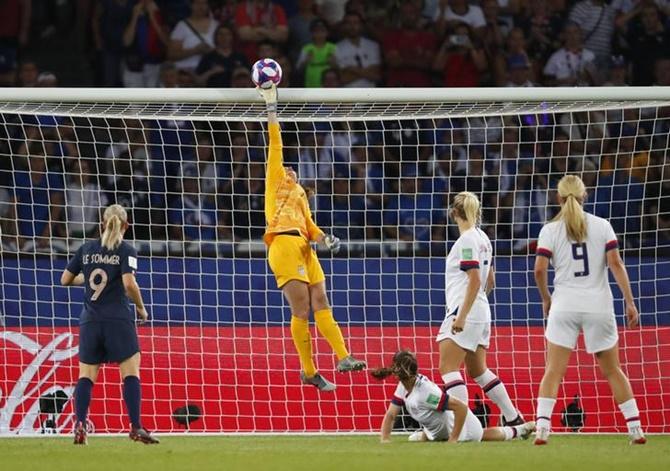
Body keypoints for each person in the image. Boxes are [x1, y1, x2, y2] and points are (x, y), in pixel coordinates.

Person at [257, 84, 365, 391]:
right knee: (302, 309)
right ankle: (308, 369)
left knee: (321, 300)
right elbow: (275, 145)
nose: (290, 169)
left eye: (293, 170)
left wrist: (324, 239)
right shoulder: (275, 182)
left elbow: (310, 226)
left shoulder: (301, 195)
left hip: (305, 246)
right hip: (283, 244)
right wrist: (271, 109)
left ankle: (344, 356)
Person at [533, 175, 647, 445]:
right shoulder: (602, 226)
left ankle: (541, 430)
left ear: (558, 198)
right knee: (613, 371)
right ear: (585, 196)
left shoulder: (550, 230)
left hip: (564, 306)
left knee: (553, 371)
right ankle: (636, 430)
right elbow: (616, 264)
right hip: (599, 306)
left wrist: (546, 298)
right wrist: (630, 302)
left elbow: (539, 269)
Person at [61, 204, 159, 445]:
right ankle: (135, 427)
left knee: (86, 375)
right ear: (126, 226)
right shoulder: (126, 250)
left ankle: (80, 424)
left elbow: (65, 279)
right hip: (118, 319)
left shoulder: (86, 249)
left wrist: (90, 276)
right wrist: (141, 307)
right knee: (130, 371)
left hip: (90, 320)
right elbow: (129, 284)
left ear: (102, 223)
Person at [436, 191, 524, 426]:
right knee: (478, 370)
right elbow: (490, 280)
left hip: (465, 310)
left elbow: (475, 279)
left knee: (447, 367)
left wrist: (463, 316)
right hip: (482, 310)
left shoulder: (465, 240)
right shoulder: (483, 238)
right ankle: (513, 417)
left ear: (454, 213)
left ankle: (462, 425)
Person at [372, 350, 536, 443]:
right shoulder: (403, 386)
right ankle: (520, 428)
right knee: (412, 439)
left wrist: (454, 438)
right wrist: (384, 440)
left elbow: (460, 407)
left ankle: (519, 429)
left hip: (458, 426)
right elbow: (391, 415)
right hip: (435, 432)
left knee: (479, 435)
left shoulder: (427, 393)